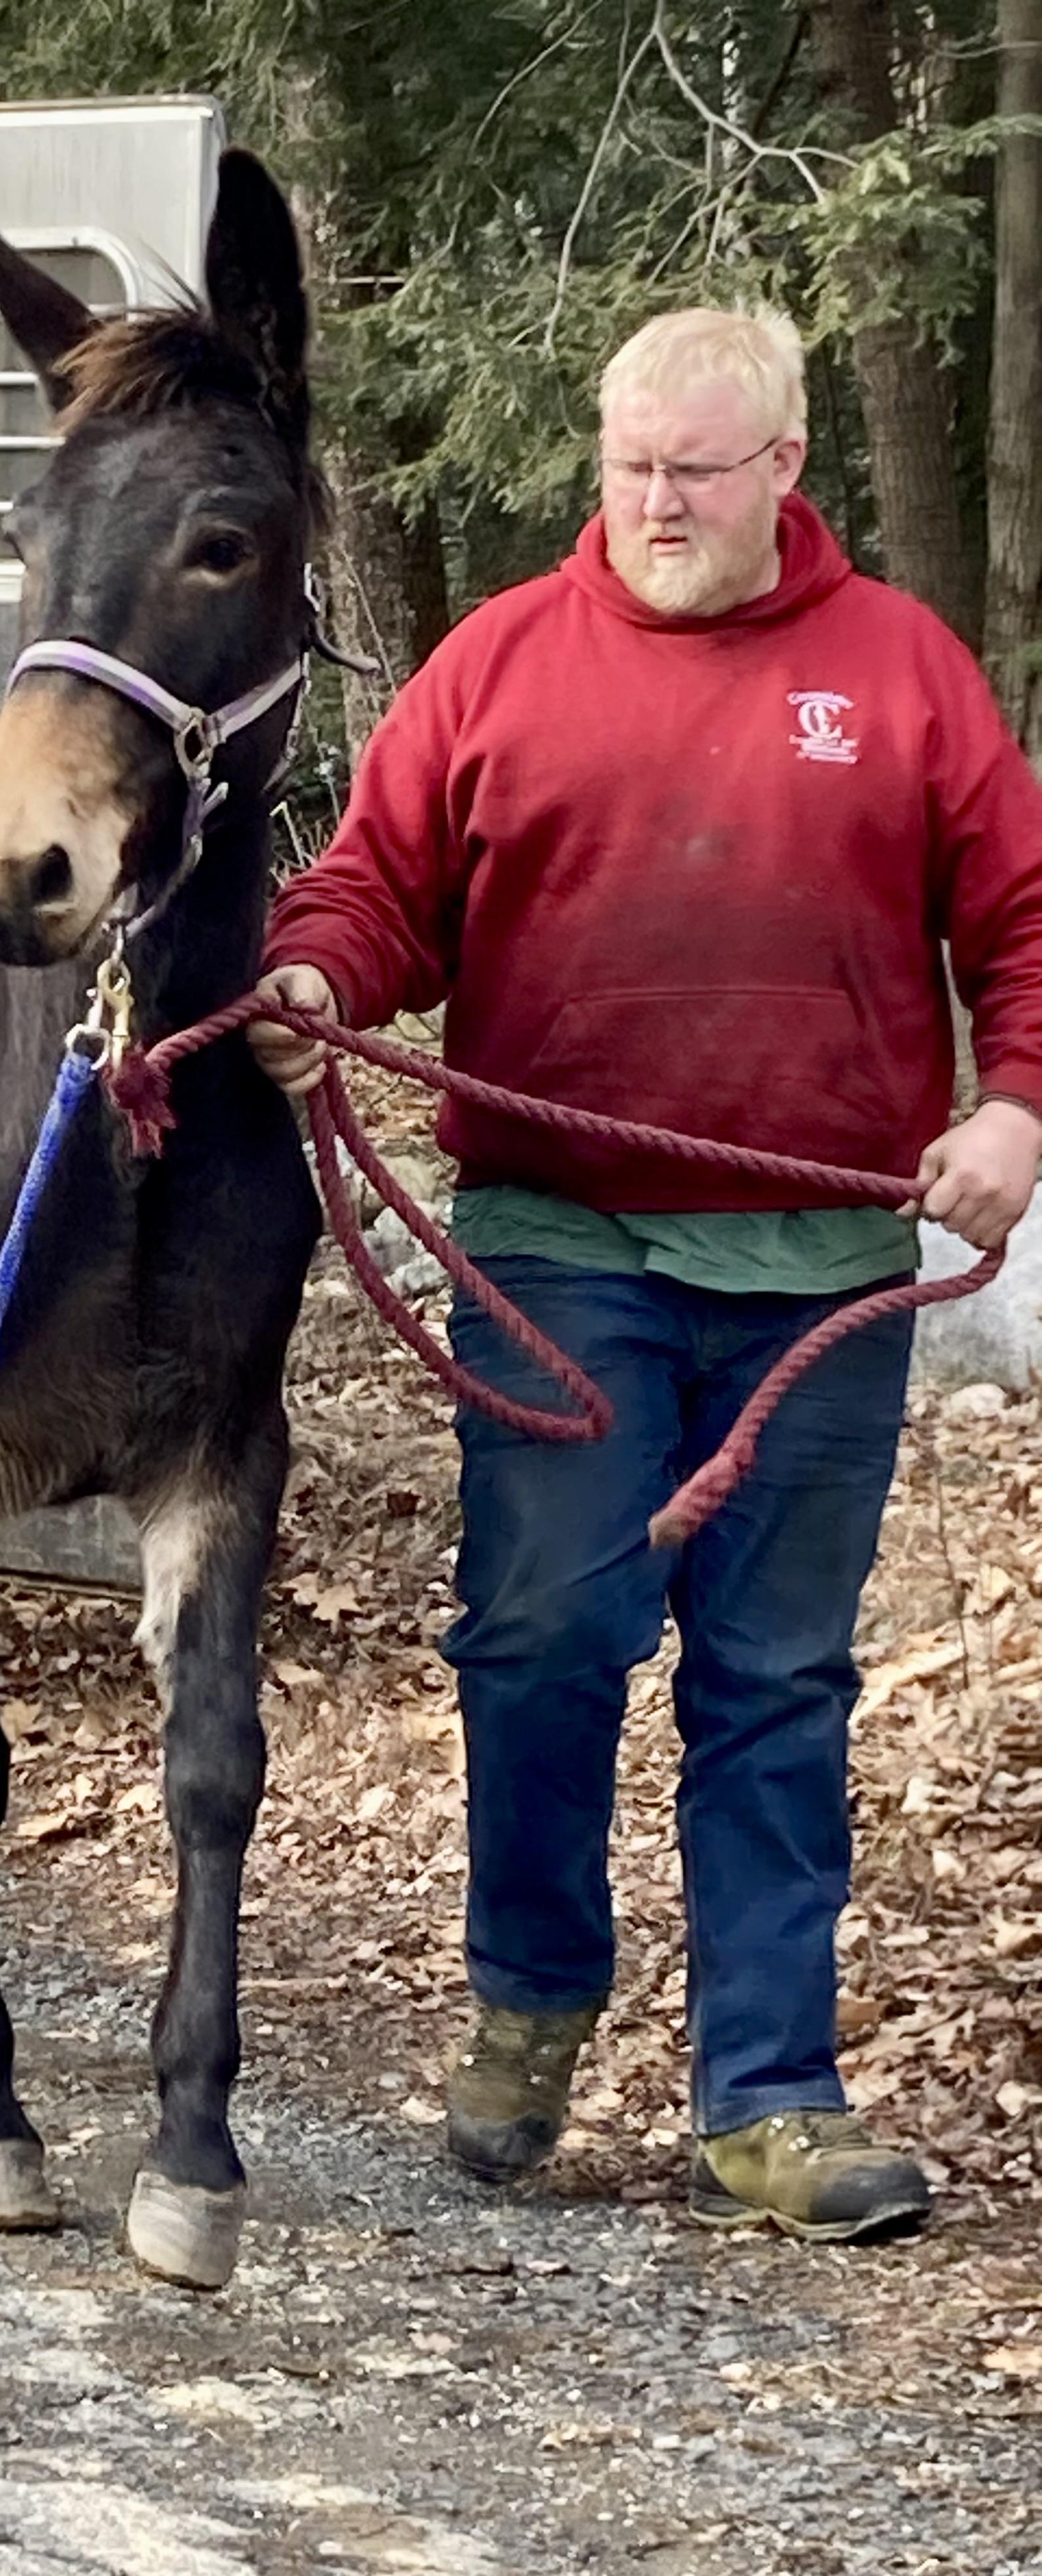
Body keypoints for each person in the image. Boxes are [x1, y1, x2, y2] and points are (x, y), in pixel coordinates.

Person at [252, 306, 1042, 2241]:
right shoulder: (501, 662)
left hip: (819, 1266)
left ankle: (766, 2097)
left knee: (776, 1685)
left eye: (697, 467)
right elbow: (377, 887)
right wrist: (312, 978)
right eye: (630, 467)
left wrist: (1015, 1106)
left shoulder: (901, 672)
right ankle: (530, 2001)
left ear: (784, 467)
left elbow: (1023, 920)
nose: (659, 502)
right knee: (541, 1646)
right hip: (558, 1252)